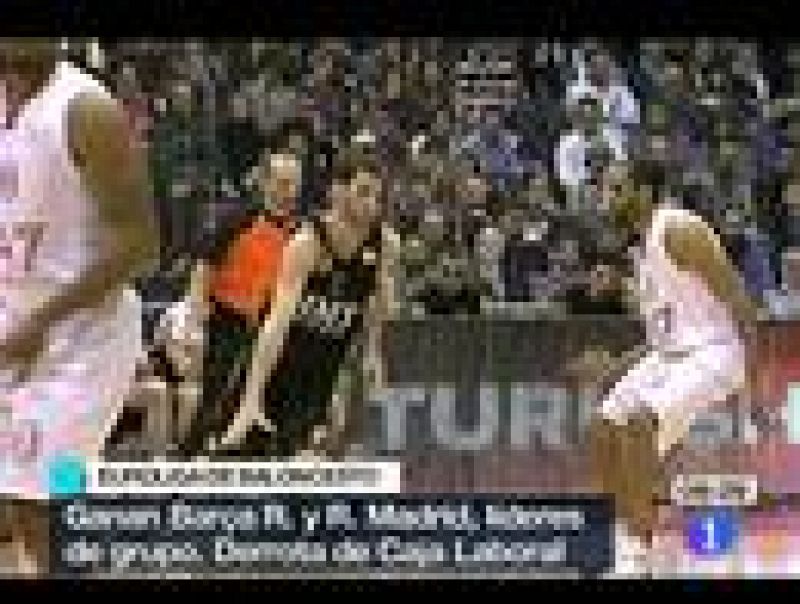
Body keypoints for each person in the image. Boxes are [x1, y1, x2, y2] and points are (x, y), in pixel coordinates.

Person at [0, 39, 156, 574]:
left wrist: (42, 320)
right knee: (22, 505)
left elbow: (141, 247)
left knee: (44, 505)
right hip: (16, 331)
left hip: (83, 341)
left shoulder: (88, 111)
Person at [585, 163, 758, 576]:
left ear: (645, 192)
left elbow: (737, 295)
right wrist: (616, 367)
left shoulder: (679, 230)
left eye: (618, 189)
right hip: (671, 356)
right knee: (603, 427)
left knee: (640, 424)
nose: (609, 198)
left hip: (715, 351)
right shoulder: (644, 249)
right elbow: (662, 337)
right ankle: (624, 532)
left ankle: (638, 553)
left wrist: (752, 370)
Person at [181, 140, 394, 459]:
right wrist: (251, 399)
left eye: (377, 196)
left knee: (297, 461)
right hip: (272, 363)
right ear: (337, 192)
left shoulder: (385, 244)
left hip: (320, 375)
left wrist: (373, 351)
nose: (372, 204)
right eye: (363, 193)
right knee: (230, 454)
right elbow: (275, 325)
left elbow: (377, 304)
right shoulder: (306, 243)